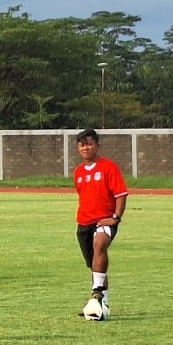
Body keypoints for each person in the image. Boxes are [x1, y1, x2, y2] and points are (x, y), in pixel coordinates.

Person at [72, 128, 129, 321]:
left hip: (104, 220)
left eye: (89, 143)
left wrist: (115, 217)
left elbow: (121, 194)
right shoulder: (78, 173)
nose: (86, 147)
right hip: (84, 223)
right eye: (82, 145)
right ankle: (102, 305)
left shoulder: (109, 167)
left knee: (100, 244)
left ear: (97, 145)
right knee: (95, 265)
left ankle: (96, 292)